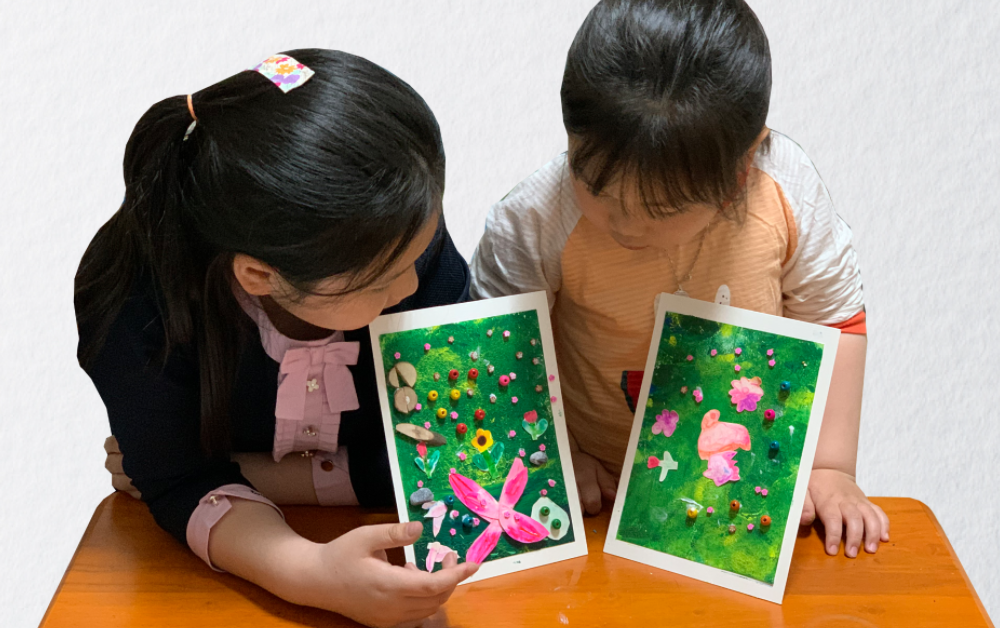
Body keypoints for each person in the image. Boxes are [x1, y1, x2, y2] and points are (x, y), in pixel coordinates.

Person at [470, 0, 890, 559]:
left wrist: (831, 467)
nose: (624, 224)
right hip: (596, 489)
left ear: (742, 168)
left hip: (737, 492)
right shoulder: (535, 220)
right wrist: (554, 454)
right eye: (594, 185)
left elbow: (835, 320)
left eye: (661, 209)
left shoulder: (785, 194)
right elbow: (502, 353)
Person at [76, 49, 476, 627]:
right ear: (259, 275)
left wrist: (257, 473)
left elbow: (451, 450)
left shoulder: (397, 241)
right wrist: (309, 573)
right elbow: (176, 480)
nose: (415, 284)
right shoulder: (136, 307)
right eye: (382, 278)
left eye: (425, 244)